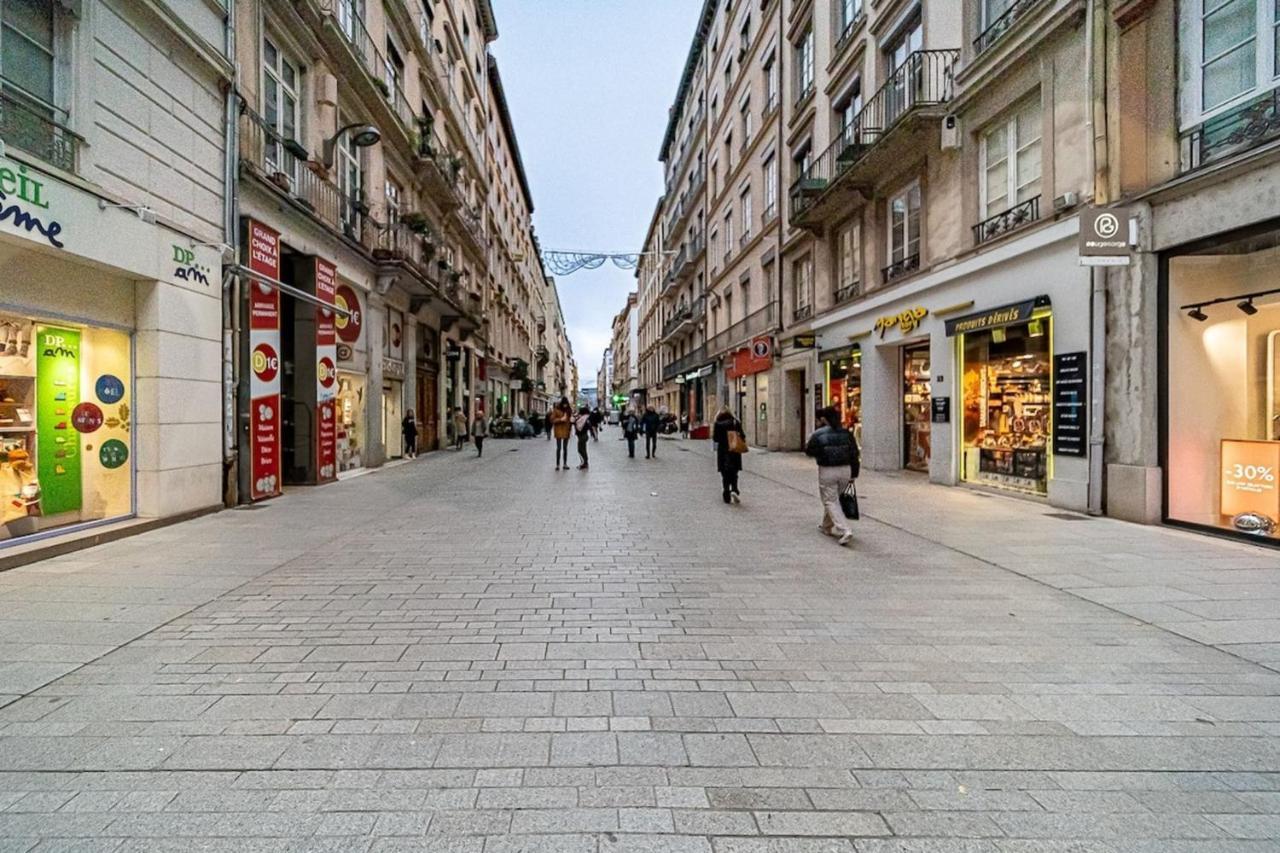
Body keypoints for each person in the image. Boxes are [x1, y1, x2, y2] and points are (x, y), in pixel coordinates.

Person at [805, 406, 860, 547]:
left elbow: (809, 451)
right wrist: (854, 473)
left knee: (830, 500)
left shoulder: (818, 434)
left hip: (827, 470)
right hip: (845, 470)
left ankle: (844, 529)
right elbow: (855, 454)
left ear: (824, 419)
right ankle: (826, 526)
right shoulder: (846, 433)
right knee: (833, 499)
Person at [712, 405, 746, 504]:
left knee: (724, 473)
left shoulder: (718, 424)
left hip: (723, 451)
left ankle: (726, 492)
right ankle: (735, 489)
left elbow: (715, 439)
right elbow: (743, 436)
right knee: (734, 472)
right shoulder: (736, 422)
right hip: (734, 450)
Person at [550, 397, 573, 470]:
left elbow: (569, 421)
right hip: (559, 430)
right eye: (564, 404)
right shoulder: (557, 410)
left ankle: (565, 464)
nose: (565, 406)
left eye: (566, 404)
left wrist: (572, 422)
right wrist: (560, 419)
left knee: (565, 448)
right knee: (559, 448)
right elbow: (552, 419)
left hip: (566, 431)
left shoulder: (568, 411)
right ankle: (557, 464)